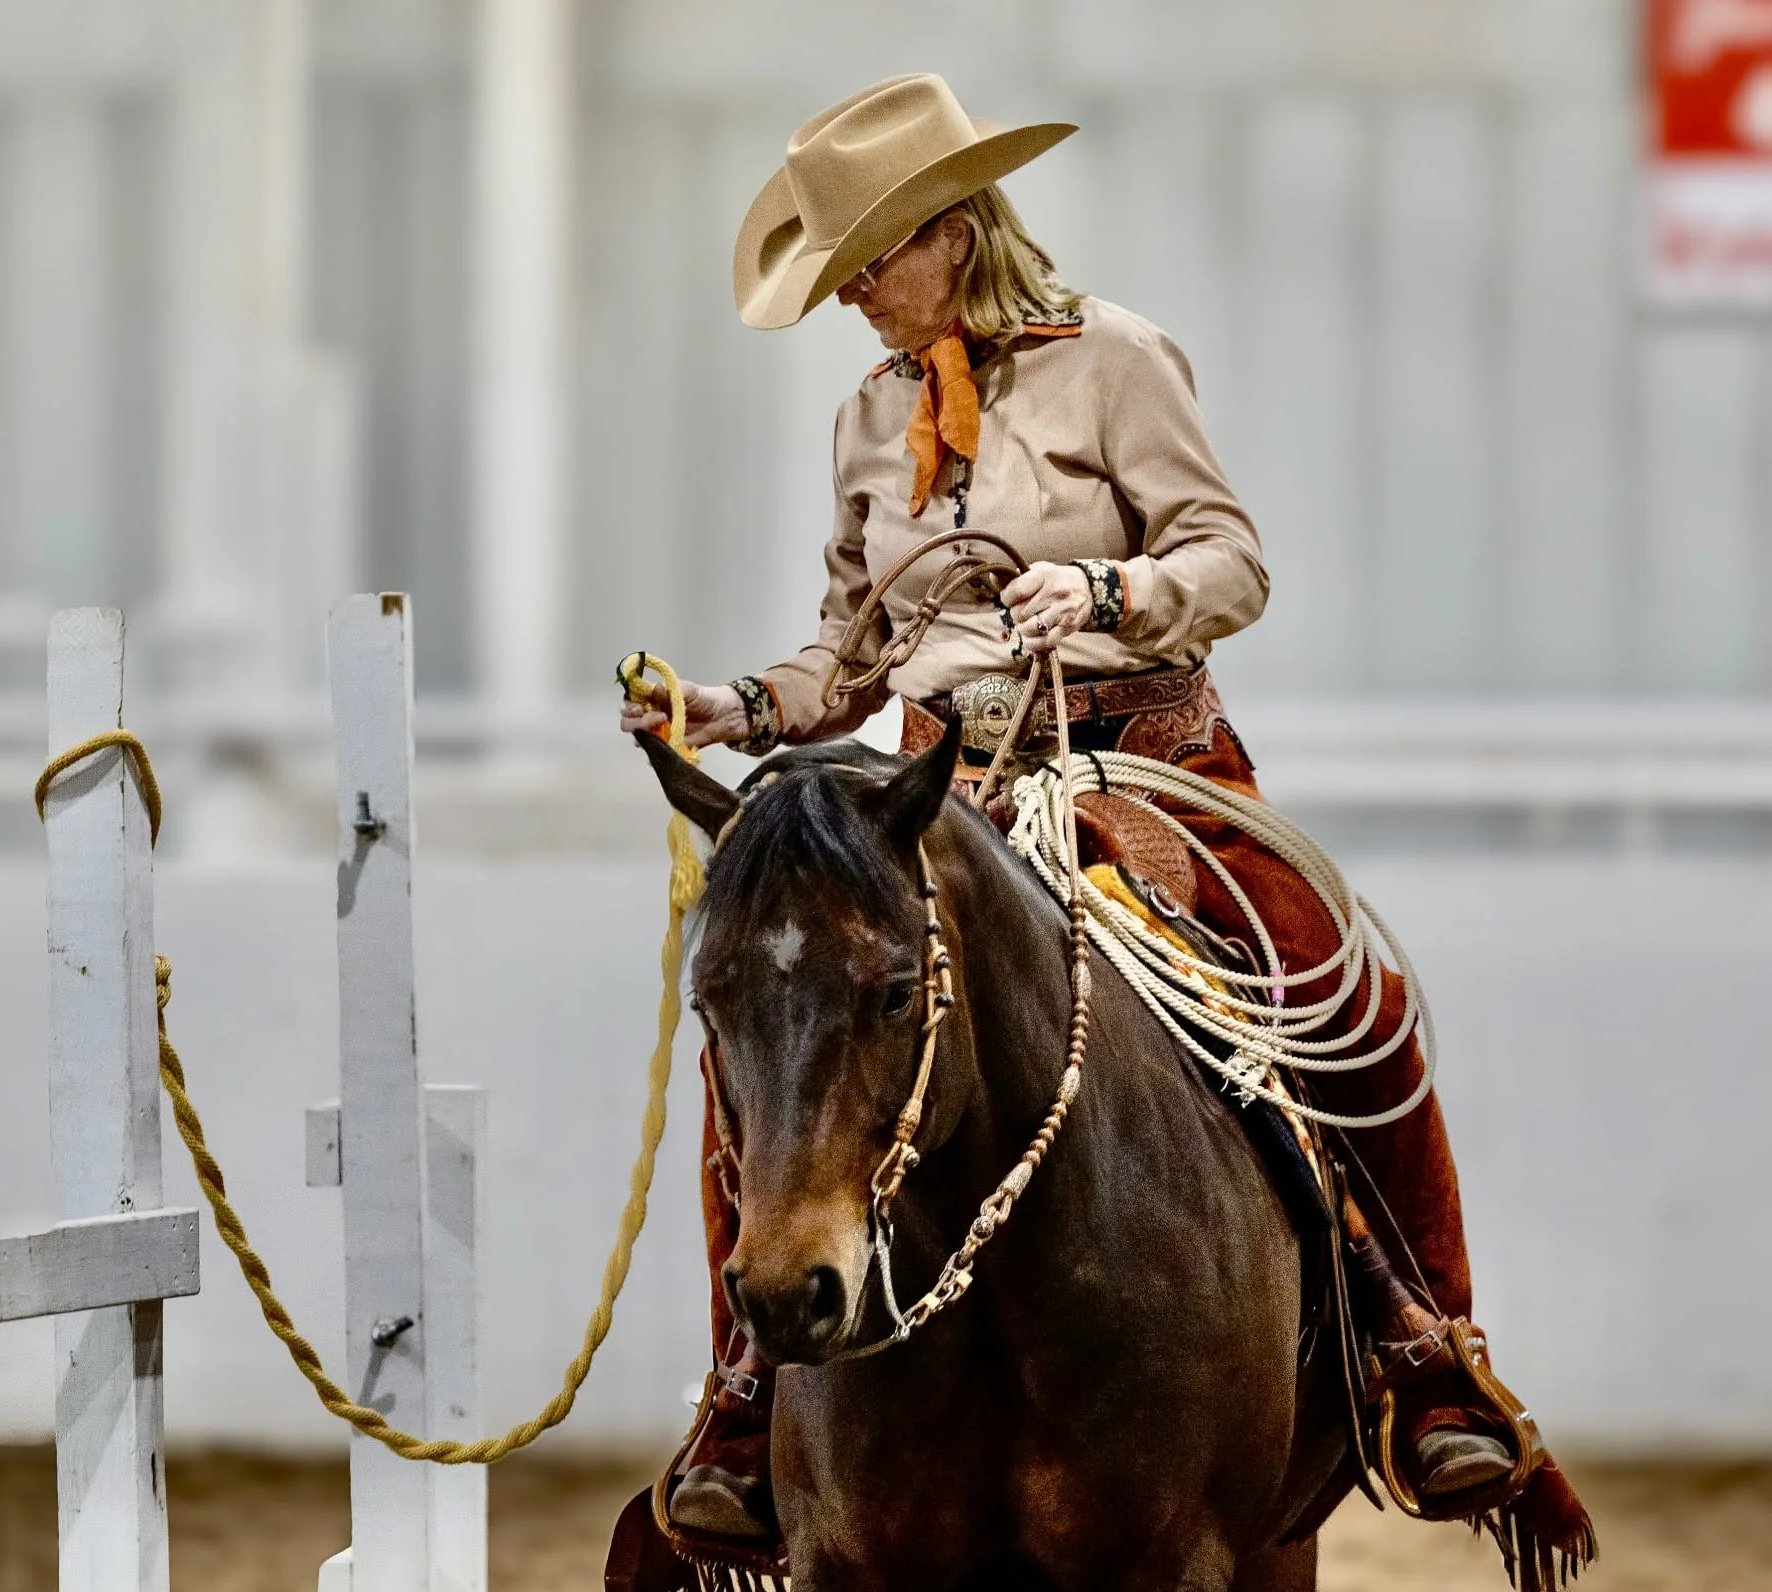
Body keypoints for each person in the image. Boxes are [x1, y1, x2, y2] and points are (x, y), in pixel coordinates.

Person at [620, 72, 1563, 1550]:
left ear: (951, 229)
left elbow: (1231, 560)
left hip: (1143, 767)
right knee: (781, 1024)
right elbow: (850, 654)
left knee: (1333, 978)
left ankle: (1421, 1351)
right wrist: (734, 708)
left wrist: (1117, 591)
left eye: (872, 257)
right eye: (844, 270)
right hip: (939, 791)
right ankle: (747, 1392)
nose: (857, 294)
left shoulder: (1116, 361)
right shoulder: (872, 419)